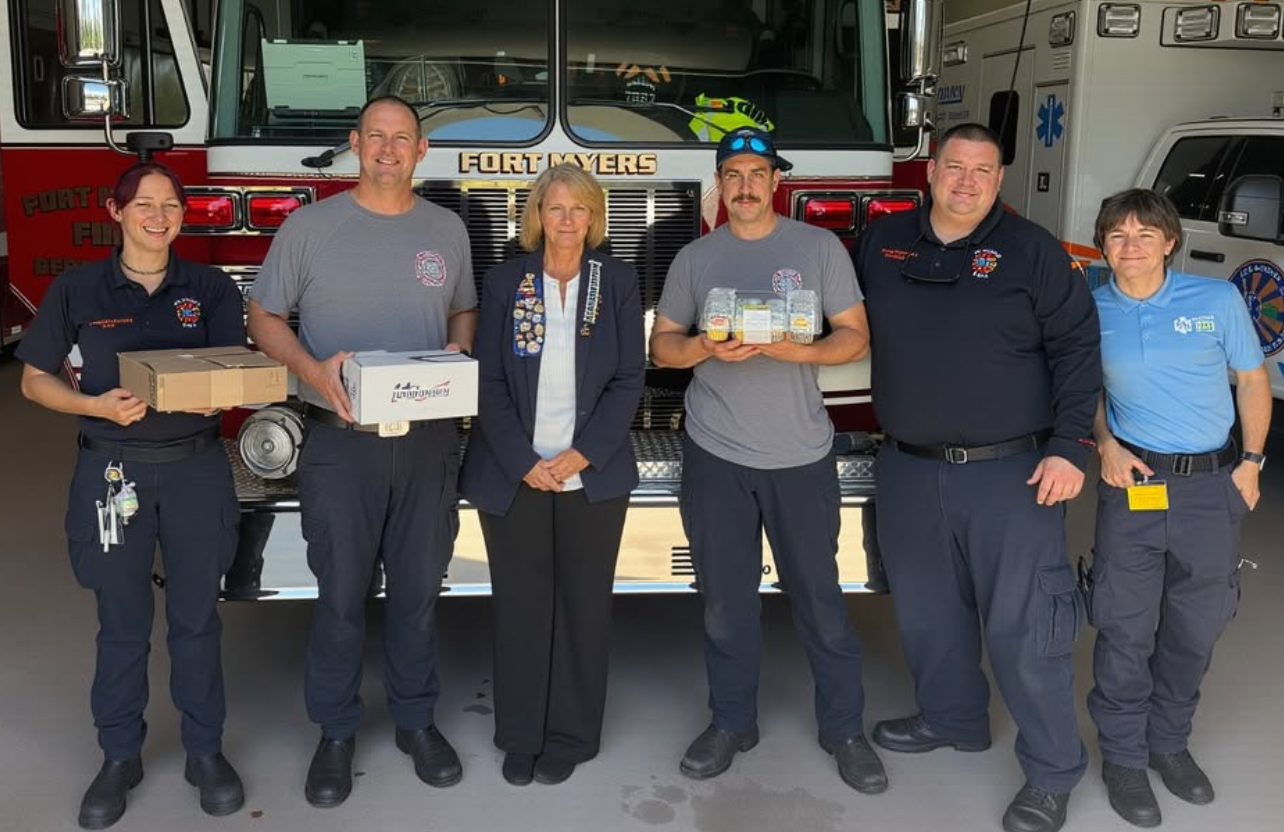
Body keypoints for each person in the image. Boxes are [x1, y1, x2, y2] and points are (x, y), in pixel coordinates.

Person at [853, 122, 1101, 832]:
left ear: (999, 180)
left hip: (1014, 474)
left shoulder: (1033, 252)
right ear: (930, 172)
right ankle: (953, 718)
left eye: (982, 171)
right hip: (906, 466)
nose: (966, 182)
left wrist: (1069, 446)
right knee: (928, 615)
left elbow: (1080, 349)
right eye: (954, 167)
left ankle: (1052, 774)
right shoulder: (883, 241)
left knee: (1028, 631)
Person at [246, 95, 478, 807]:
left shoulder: (448, 230)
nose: (387, 148)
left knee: (417, 594)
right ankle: (337, 732)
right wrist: (314, 373)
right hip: (338, 445)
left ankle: (416, 722)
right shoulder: (310, 227)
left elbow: (464, 308)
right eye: (374, 136)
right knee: (340, 599)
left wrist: (458, 352)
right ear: (354, 143)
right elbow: (263, 316)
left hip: (427, 446)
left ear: (420, 152)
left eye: (401, 138)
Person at [650, 127, 887, 795]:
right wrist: (703, 348)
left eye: (758, 173)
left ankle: (844, 729)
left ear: (776, 182)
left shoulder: (818, 248)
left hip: (799, 455)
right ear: (719, 185)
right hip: (715, 454)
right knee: (725, 603)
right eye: (734, 174)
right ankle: (731, 723)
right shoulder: (696, 259)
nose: (746, 185)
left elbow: (855, 338)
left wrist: (798, 352)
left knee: (820, 601)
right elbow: (663, 347)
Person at [18, 163, 246, 828]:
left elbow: (230, 374)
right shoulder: (79, 288)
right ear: (115, 211)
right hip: (112, 473)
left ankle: (205, 751)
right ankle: (120, 755)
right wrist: (93, 403)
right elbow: (34, 380)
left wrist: (235, 388)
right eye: (143, 203)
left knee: (197, 619)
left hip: (197, 471)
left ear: (183, 215)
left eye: (171, 204)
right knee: (121, 625)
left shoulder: (208, 288)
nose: (158, 215)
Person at [1086, 189, 1270, 828]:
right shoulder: (1091, 306)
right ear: (1102, 244)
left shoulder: (1215, 300)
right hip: (1134, 482)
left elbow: (1251, 380)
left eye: (1144, 234)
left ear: (1170, 242)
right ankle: (1124, 758)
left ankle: (1169, 743)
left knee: (1196, 626)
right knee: (1124, 625)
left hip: (1210, 485)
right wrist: (1104, 443)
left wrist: (1251, 462)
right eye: (1116, 235)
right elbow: (1083, 388)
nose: (1129, 245)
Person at [459, 164, 644, 787]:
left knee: (584, 607)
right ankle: (519, 734)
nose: (566, 220)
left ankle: (571, 735)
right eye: (554, 208)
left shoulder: (614, 280)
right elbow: (486, 381)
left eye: (579, 209)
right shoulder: (508, 279)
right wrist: (525, 462)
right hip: (517, 473)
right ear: (536, 216)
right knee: (520, 606)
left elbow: (628, 380)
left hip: (590, 473)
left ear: (594, 218)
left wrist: (582, 454)